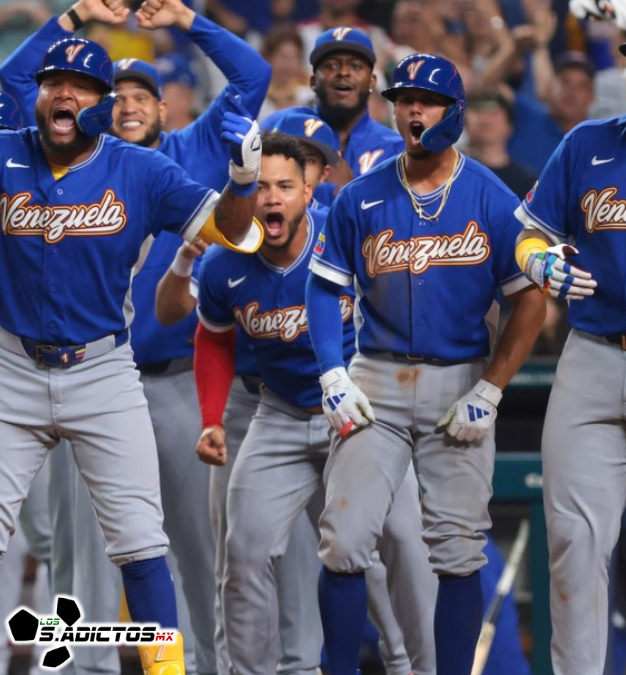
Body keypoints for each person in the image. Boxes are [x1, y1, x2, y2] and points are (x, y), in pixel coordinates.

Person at [0, 16, 262, 675]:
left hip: (104, 369)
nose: (66, 95)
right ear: (37, 94)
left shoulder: (140, 166)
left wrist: (246, 178)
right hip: (12, 369)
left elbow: (235, 233)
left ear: (105, 103)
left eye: (83, 87)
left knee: (142, 544)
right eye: (55, 82)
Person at [0, 0, 271, 670]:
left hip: (176, 381)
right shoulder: (56, 158)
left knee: (198, 547)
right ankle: (85, 667)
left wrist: (186, 18)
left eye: (141, 93)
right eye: (111, 95)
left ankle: (208, 664)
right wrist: (75, 16)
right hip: (82, 375)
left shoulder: (190, 152)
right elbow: (12, 83)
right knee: (81, 552)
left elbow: (253, 78)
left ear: (165, 108)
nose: (126, 103)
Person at [159, 116, 435, 675]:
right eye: (259, 186)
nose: (271, 198)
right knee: (244, 552)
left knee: (403, 542)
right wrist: (212, 418)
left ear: (309, 191)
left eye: (284, 186)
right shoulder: (224, 263)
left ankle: (418, 668)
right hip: (279, 412)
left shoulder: (348, 233)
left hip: (361, 412)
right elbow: (211, 339)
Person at [306, 53, 545, 675]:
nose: (414, 110)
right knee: (344, 542)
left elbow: (530, 303)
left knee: (460, 551)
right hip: (375, 379)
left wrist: (491, 389)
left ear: (455, 112)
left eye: (428, 100)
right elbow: (323, 287)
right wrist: (332, 371)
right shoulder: (360, 196)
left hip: (458, 381)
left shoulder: (492, 197)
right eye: (405, 98)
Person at [516, 15, 626, 675]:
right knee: (571, 541)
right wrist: (540, 265)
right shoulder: (587, 142)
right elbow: (529, 232)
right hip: (589, 358)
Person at [291, 28, 404, 205]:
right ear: (313, 81)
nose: (343, 72)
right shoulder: (286, 132)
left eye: (355, 66)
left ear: (372, 82)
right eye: (331, 65)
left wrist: (344, 192)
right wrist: (333, 192)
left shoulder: (396, 151)